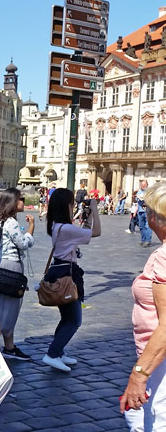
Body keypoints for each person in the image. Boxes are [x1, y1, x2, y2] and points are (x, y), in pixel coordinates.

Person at [121, 182, 166, 428]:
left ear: (154, 218)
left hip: (159, 360)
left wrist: (139, 374)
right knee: (137, 417)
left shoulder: (163, 258)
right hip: (155, 357)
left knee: (156, 421)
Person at [41, 188, 101, 372]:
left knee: (66, 317)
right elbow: (96, 232)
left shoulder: (57, 226)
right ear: (66, 206)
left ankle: (58, 352)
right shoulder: (66, 229)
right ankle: (52, 354)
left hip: (59, 270)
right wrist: (95, 209)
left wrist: (88, 214)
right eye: (71, 203)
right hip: (67, 275)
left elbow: (84, 230)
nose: (73, 205)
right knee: (75, 320)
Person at [0, 188, 35, 361]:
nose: (24, 202)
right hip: (10, 266)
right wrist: (31, 229)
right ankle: (8, 346)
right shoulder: (11, 223)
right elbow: (22, 244)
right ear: (13, 202)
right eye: (21, 199)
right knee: (10, 308)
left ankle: (2, 345)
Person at [137, 180, 152, 247]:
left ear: (147, 185)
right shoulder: (139, 192)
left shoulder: (149, 192)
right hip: (140, 211)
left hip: (147, 211)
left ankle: (148, 241)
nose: (143, 186)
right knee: (141, 226)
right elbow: (136, 200)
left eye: (144, 185)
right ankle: (143, 240)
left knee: (147, 226)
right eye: (142, 185)